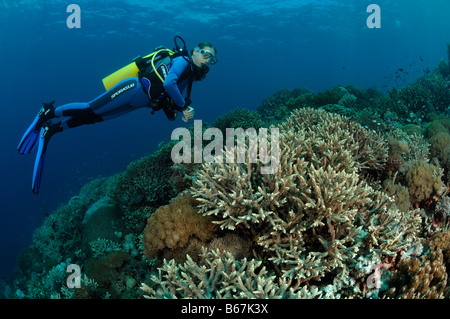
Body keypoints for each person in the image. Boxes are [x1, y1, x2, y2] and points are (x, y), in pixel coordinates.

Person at [17, 38, 217, 193]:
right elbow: (168, 83)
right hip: (132, 89)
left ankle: (52, 129)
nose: (208, 60)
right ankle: (48, 113)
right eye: (207, 54)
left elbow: (169, 97)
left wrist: (178, 110)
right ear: (195, 51)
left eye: (212, 59)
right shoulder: (182, 61)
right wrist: (183, 107)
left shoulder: (189, 77)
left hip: (137, 103)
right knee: (90, 108)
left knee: (94, 118)